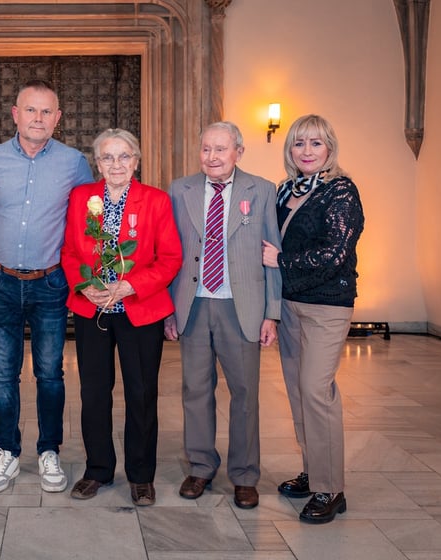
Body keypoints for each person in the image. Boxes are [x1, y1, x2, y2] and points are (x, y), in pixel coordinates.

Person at [0, 79, 94, 494]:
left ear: (58, 118)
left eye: (46, 111)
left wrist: (83, 281)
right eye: (30, 110)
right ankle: (6, 451)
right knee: (3, 375)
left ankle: (49, 451)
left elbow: (88, 226)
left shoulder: (74, 163)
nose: (38, 118)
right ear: (15, 114)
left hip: (50, 284)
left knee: (50, 373)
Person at [61, 129, 182, 506]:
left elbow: (171, 259)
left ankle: (141, 475)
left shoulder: (156, 200)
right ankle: (97, 469)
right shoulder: (81, 197)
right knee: (94, 392)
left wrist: (131, 286)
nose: (116, 164)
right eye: (108, 157)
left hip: (139, 310)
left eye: (124, 156)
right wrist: (84, 286)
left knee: (141, 393)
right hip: (93, 309)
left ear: (136, 161)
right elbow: (69, 252)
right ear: (97, 163)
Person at [164, 121, 281, 509]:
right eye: (206, 149)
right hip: (194, 304)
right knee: (195, 391)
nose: (212, 157)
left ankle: (245, 475)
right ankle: (200, 466)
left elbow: (272, 254)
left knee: (245, 394)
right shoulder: (180, 190)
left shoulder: (261, 190)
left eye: (220, 149)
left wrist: (272, 313)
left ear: (238, 152)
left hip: (241, 306)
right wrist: (169, 309)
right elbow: (170, 252)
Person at [262, 114, 364, 524]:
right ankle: (313, 470)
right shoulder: (286, 190)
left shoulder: (341, 191)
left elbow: (335, 252)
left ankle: (331, 488)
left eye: (315, 143)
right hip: (290, 304)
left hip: (327, 305)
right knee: (297, 391)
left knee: (316, 391)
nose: (306, 151)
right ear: (290, 149)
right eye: (299, 143)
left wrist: (281, 260)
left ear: (330, 148)